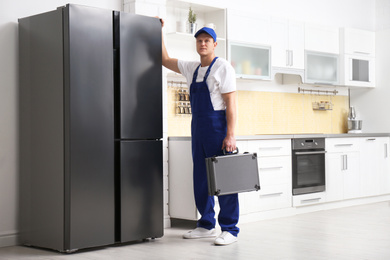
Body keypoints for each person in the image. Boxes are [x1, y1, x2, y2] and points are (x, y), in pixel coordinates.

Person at [160, 19, 239, 246]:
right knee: (201, 178)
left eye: (207, 40)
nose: (203, 44)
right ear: (196, 44)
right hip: (198, 128)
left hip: (217, 128)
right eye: (199, 40)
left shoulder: (223, 67)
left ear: (215, 44)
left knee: (224, 178)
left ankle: (230, 228)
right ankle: (205, 224)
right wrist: (159, 31)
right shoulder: (192, 67)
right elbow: (165, 59)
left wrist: (230, 134)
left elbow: (231, 104)